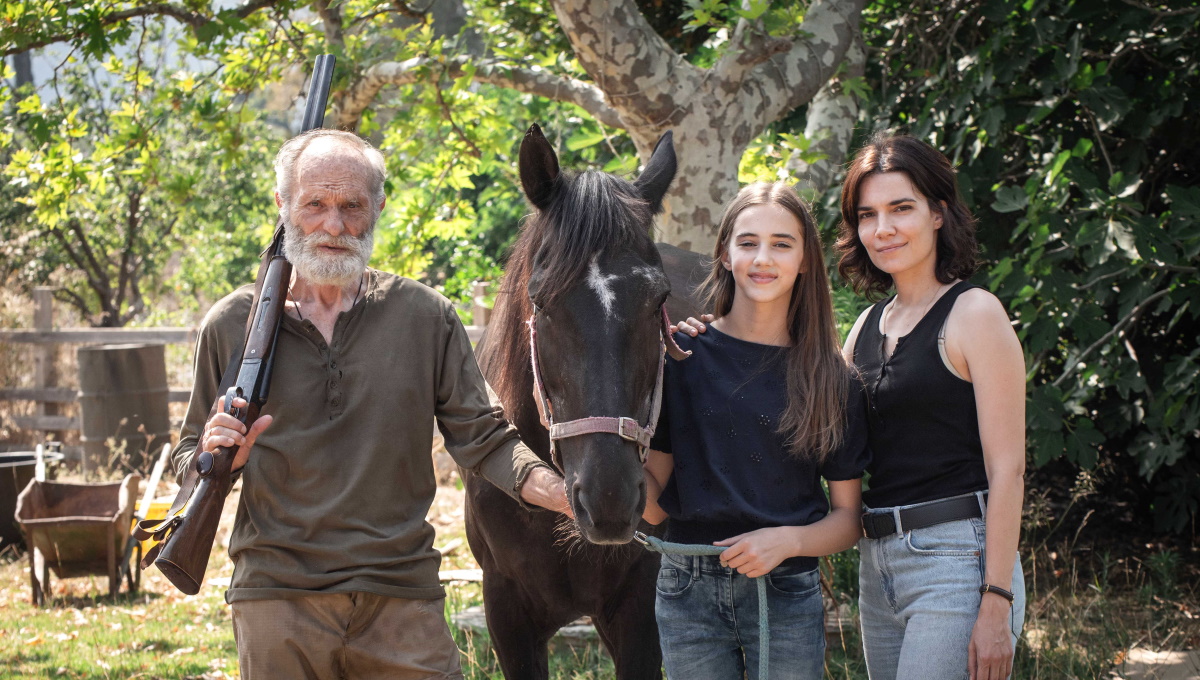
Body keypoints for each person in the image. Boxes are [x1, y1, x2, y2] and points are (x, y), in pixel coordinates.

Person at [179, 129, 569, 680]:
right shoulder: (230, 325)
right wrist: (213, 459)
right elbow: (189, 453)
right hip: (276, 594)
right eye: (314, 204)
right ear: (283, 206)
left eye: (351, 206)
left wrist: (565, 495)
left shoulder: (426, 315)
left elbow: (485, 440)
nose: (333, 225)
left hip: (402, 593)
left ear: (378, 208)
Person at [641, 182, 870, 680]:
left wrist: (787, 542)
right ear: (723, 253)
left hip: (785, 591)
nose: (763, 258)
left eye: (782, 244)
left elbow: (848, 520)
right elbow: (654, 502)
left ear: (806, 259)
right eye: (747, 243)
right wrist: (606, 445)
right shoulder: (681, 357)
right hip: (687, 589)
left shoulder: (833, 379)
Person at [837, 133, 1026, 680]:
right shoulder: (864, 328)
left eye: (902, 208)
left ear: (939, 213)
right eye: (868, 215)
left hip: (959, 561)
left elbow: (1008, 469)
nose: (883, 228)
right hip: (877, 566)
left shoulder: (974, 314)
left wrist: (996, 600)